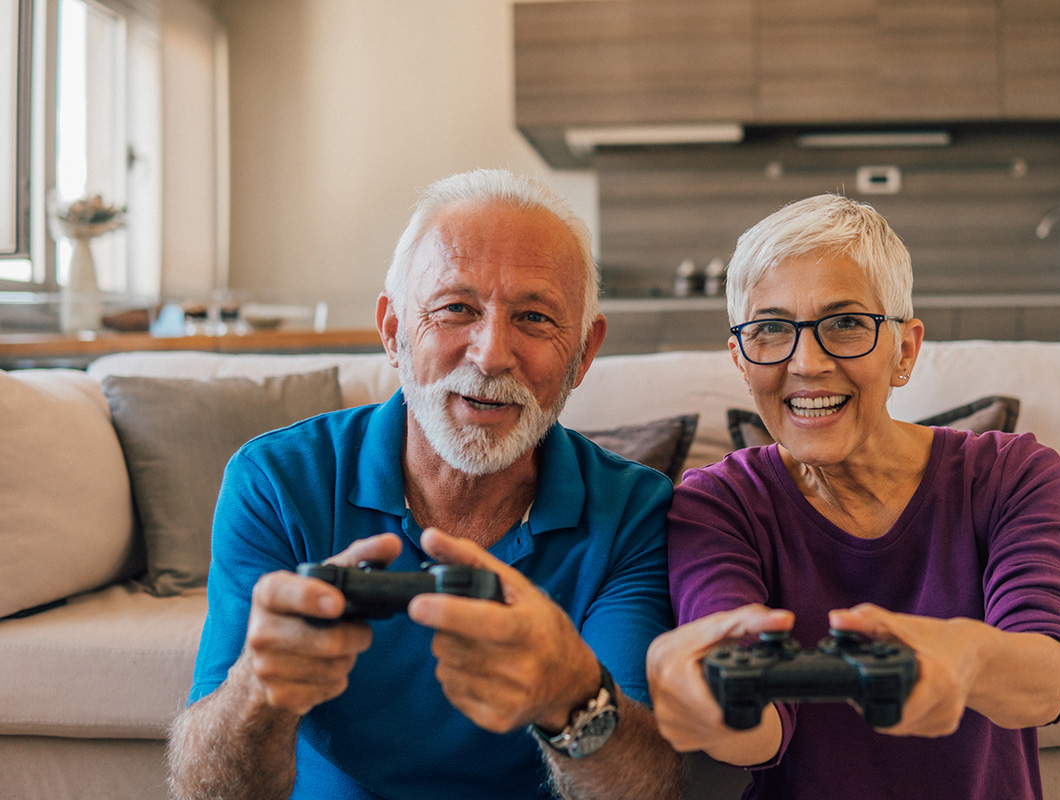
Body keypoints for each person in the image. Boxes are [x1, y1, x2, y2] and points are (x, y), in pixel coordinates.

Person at [166, 168, 684, 800]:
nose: (492, 353)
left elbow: (646, 789)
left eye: (534, 317)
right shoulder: (276, 481)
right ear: (392, 331)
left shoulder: (634, 510)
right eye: (456, 309)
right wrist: (257, 690)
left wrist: (575, 696)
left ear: (584, 352)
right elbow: (204, 792)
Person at [646, 194, 1060, 800]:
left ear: (904, 350)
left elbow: (1048, 679)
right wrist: (712, 706)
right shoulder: (718, 504)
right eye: (771, 329)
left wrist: (965, 659)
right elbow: (762, 731)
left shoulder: (1011, 475)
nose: (808, 363)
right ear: (742, 362)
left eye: (846, 323)